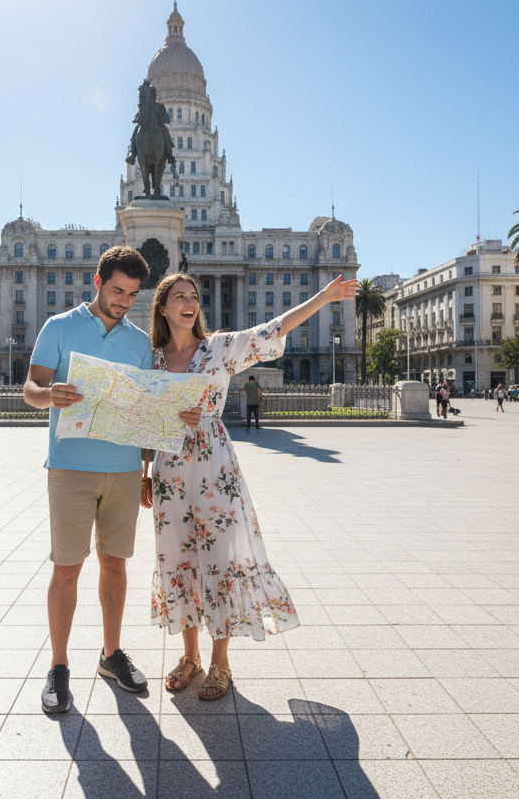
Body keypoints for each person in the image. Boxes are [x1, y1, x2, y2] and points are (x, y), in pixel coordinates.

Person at [145, 272, 359, 702]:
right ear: (163, 308)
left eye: (193, 297)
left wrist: (326, 296)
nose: (189, 303)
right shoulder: (152, 360)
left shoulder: (219, 348)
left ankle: (220, 661)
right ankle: (190, 658)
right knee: (178, 556)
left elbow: (274, 328)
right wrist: (144, 471)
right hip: (169, 470)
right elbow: (145, 418)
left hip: (212, 464)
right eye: (178, 297)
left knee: (220, 556)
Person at [24, 247, 201, 715]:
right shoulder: (59, 327)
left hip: (123, 470)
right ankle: (59, 667)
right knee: (66, 568)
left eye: (132, 294)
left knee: (116, 565)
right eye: (117, 290)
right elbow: (30, 388)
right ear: (98, 281)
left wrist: (169, 423)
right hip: (70, 467)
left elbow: (147, 406)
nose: (123, 301)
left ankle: (110, 655)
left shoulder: (139, 341)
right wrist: (50, 395)